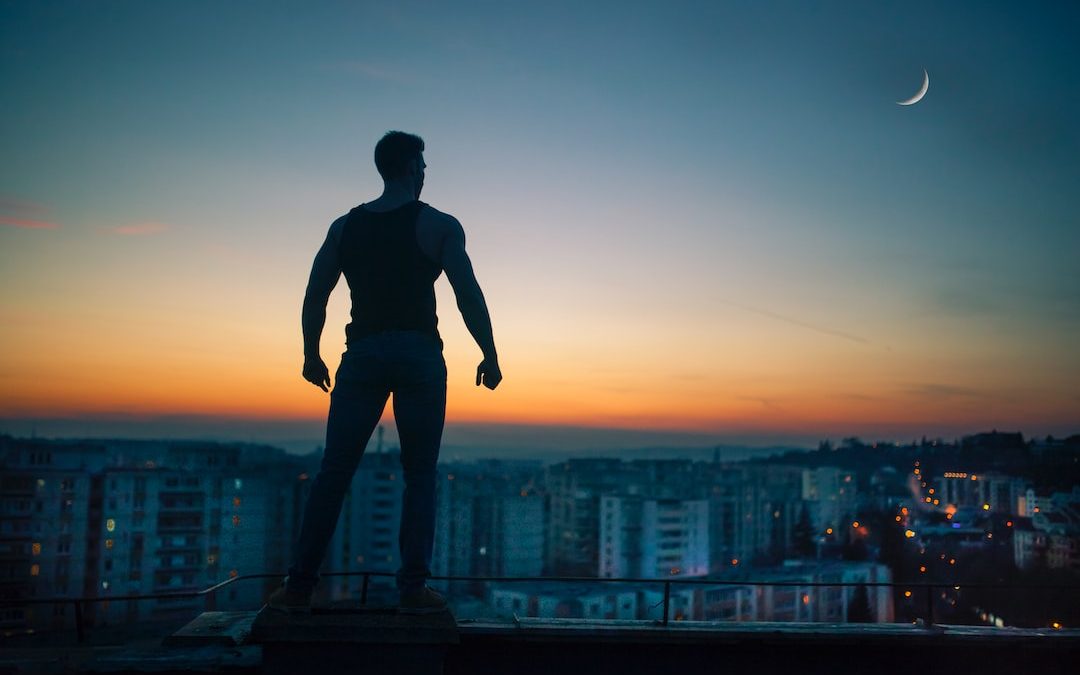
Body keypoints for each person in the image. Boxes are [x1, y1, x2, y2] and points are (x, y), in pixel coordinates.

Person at [266, 131, 501, 615]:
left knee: (334, 471)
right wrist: (489, 353)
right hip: (418, 356)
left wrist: (311, 353)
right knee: (419, 474)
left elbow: (316, 293)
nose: (424, 172)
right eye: (424, 164)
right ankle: (413, 589)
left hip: (363, 354)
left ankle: (298, 587)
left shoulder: (344, 227)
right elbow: (467, 293)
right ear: (414, 167)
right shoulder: (438, 224)